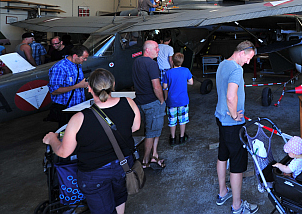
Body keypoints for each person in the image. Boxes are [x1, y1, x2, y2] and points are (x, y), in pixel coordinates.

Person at [42, 69, 141, 214]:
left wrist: (52, 139)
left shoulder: (79, 118)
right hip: (124, 164)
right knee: (119, 196)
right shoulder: (129, 102)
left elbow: (64, 152)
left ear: (89, 88)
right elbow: (135, 127)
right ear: (113, 84)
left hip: (95, 174)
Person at [215, 40, 258, 214]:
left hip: (220, 119)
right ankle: (237, 206)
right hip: (232, 124)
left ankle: (222, 192)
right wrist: (234, 115)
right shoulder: (236, 69)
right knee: (237, 165)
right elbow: (231, 97)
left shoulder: (222, 64)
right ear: (242, 52)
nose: (248, 62)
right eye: (248, 58)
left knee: (222, 155)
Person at [132, 40, 166, 169]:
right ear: (147, 50)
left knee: (153, 129)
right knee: (151, 133)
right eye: (156, 48)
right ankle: (145, 161)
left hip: (140, 101)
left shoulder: (136, 62)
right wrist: (162, 100)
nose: (158, 50)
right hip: (152, 102)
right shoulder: (152, 64)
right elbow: (156, 86)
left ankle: (154, 155)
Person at [48, 45, 90, 126]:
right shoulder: (60, 67)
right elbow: (54, 91)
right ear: (75, 56)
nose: (85, 60)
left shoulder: (77, 64)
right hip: (66, 109)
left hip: (78, 106)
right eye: (83, 58)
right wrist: (78, 86)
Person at [162, 52, 193, 146]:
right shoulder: (186, 70)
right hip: (183, 100)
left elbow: (164, 86)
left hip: (171, 101)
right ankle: (182, 137)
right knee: (183, 119)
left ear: (172, 61)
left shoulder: (168, 72)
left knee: (172, 120)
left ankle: (172, 138)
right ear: (182, 61)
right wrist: (184, 82)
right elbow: (191, 82)